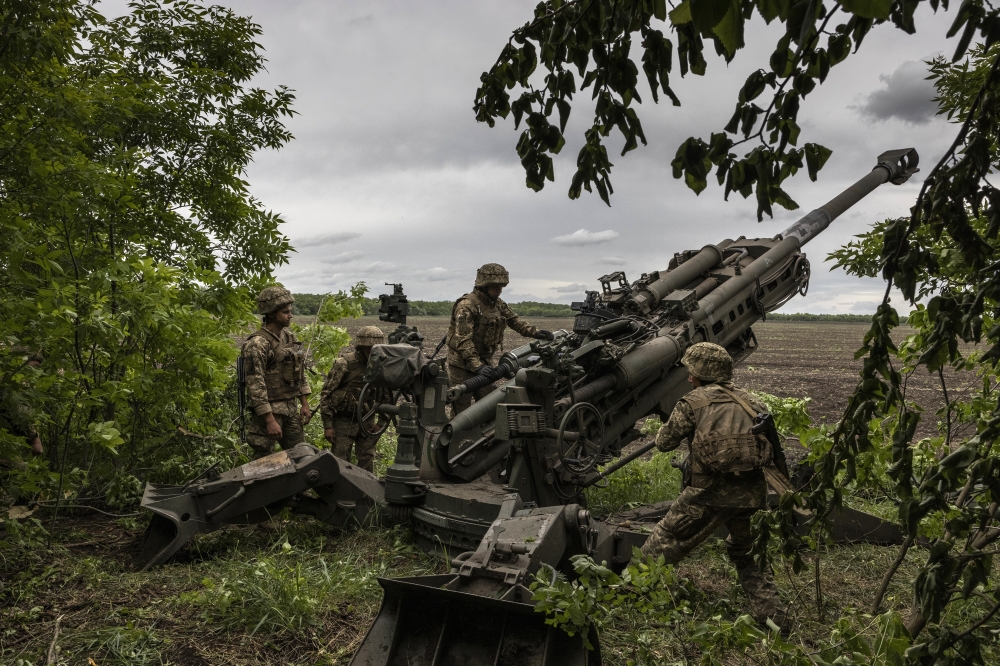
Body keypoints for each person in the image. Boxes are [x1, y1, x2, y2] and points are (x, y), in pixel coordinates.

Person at [642, 342, 789, 633]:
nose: (688, 378)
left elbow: (663, 443)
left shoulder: (691, 402)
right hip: (750, 497)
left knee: (660, 545)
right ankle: (775, 622)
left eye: (690, 371)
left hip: (705, 497)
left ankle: (626, 600)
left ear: (698, 372)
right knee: (748, 554)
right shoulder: (754, 402)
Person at [445, 263, 553, 413]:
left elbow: (514, 321)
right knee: (462, 411)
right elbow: (463, 341)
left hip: (484, 362)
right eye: (496, 286)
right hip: (462, 366)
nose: (500, 290)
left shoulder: (498, 304)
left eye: (502, 286)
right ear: (484, 285)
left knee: (488, 407)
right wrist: (478, 366)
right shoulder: (467, 305)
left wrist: (535, 332)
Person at [241, 286, 311, 459]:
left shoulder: (289, 338)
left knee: (302, 457)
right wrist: (269, 419)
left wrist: (304, 403)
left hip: (291, 409)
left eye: (290, 311)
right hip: (268, 413)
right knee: (263, 461)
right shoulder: (257, 344)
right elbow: (255, 384)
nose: (290, 315)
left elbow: (299, 372)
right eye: (285, 312)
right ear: (272, 313)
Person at [320, 325, 387, 473]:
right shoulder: (344, 364)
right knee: (340, 462)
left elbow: (386, 397)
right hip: (343, 421)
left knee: (367, 460)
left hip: (367, 422)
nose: (374, 353)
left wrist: (381, 423)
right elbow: (326, 394)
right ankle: (340, 494)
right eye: (370, 349)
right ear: (361, 347)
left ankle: (367, 494)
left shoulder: (382, 366)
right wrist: (328, 425)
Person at [0, 348, 45, 456]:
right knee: (18, 470)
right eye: (34, 366)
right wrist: (34, 439)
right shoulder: (14, 378)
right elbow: (19, 411)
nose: (35, 371)